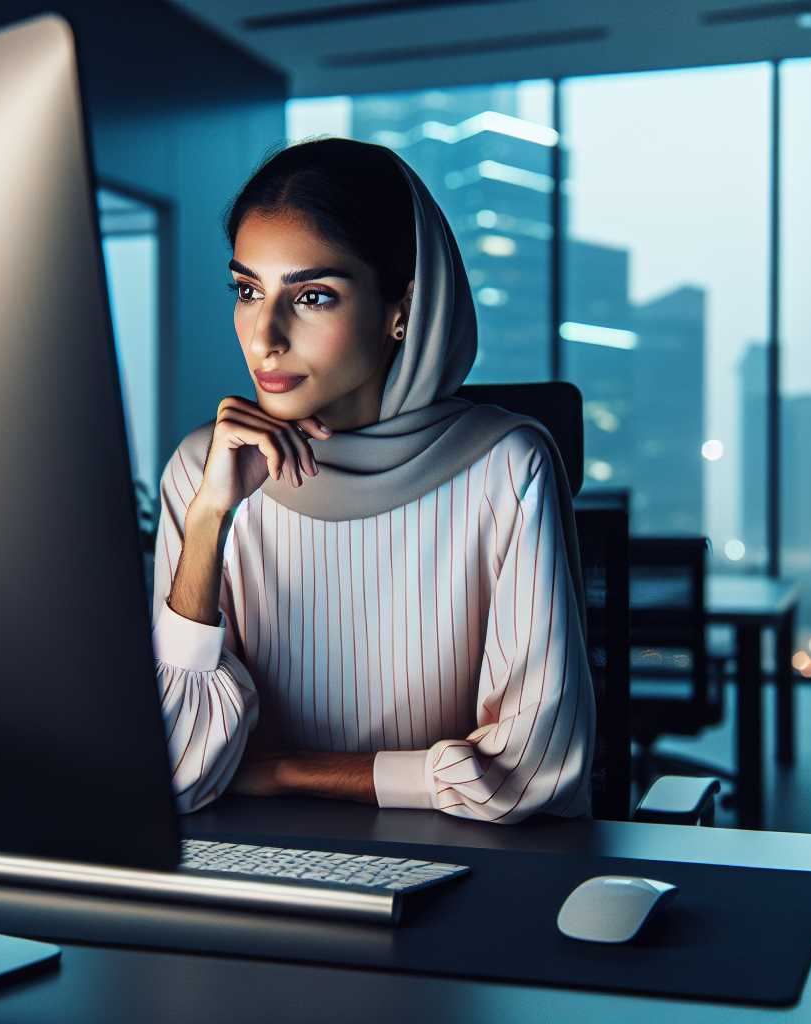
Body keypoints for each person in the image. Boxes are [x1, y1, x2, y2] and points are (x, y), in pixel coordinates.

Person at [151, 137, 595, 824]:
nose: (264, 336)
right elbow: (174, 773)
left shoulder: (508, 466)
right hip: (250, 868)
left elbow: (530, 770)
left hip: (459, 863)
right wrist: (209, 519)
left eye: (313, 295)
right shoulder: (204, 470)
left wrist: (292, 771)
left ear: (401, 309)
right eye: (247, 290)